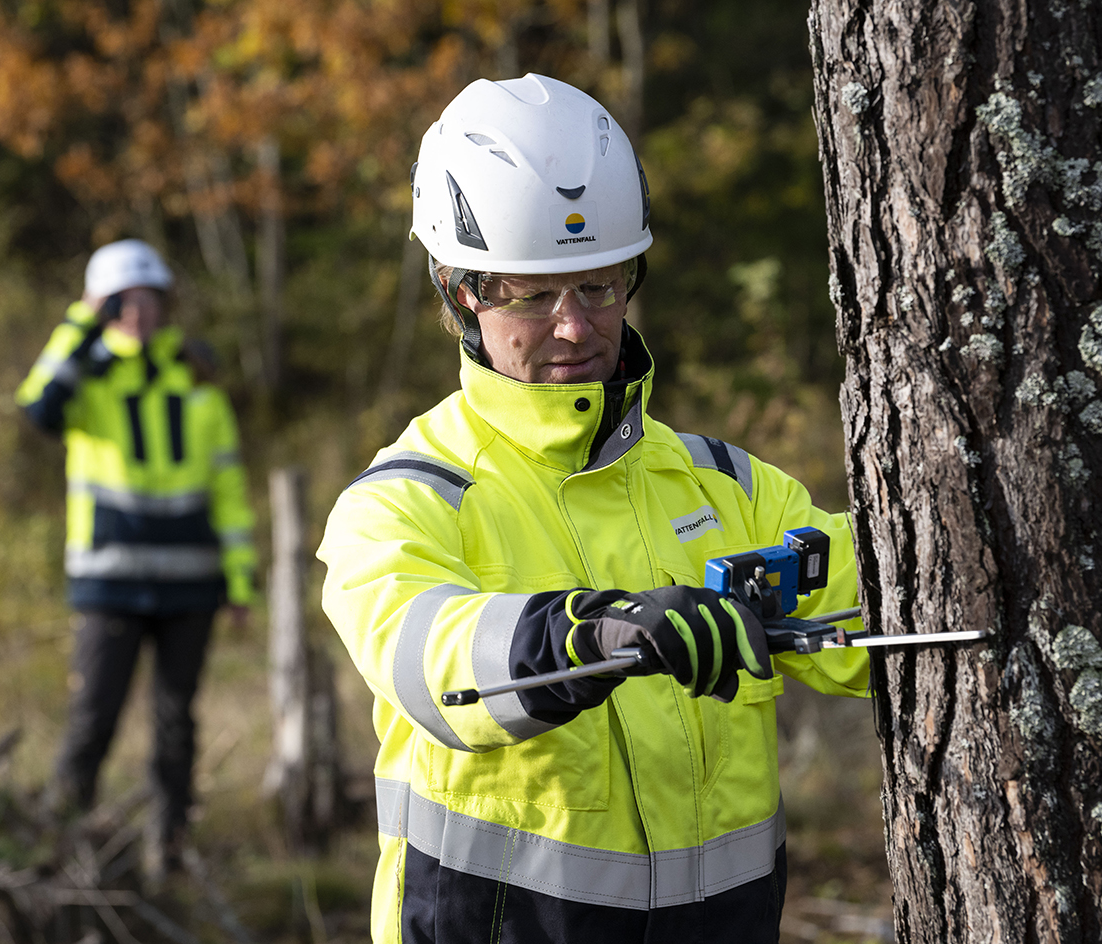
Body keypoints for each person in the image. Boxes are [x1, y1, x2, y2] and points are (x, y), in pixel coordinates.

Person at [316, 74, 870, 944]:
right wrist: (598, 634)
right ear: (460, 291)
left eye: (600, 287)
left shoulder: (725, 486)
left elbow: (881, 605)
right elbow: (435, 669)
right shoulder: (407, 499)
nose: (574, 327)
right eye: (533, 297)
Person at [16, 239, 256, 878]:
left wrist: (240, 582)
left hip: (191, 586)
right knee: (92, 720)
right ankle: (58, 856)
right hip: (108, 584)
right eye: (123, 302)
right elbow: (37, 408)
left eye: (150, 299)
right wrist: (80, 323)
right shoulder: (84, 372)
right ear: (101, 305)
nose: (139, 313)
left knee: (176, 728)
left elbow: (227, 485)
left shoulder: (196, 375)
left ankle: (168, 858)